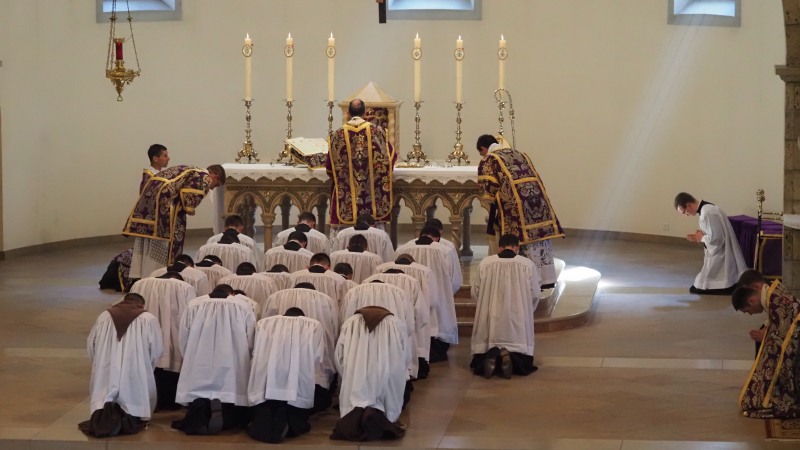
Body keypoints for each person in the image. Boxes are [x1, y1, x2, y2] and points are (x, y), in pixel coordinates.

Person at [476, 135, 564, 289]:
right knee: (538, 238)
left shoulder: (489, 159)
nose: (482, 155)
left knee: (522, 238)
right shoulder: (519, 153)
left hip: (516, 206)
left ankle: (527, 280)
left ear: (483, 149)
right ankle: (545, 278)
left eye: (481, 152)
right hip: (537, 200)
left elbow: (489, 190)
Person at [173, 288, 256, 435]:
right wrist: (246, 356)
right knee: (228, 391)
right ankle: (226, 419)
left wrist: (189, 355)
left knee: (199, 392)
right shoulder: (242, 305)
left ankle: (199, 418)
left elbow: (184, 334)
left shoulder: (194, 304)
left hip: (199, 357)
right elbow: (251, 335)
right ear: (230, 293)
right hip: (232, 358)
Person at [81, 293, 163, 437]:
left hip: (107, 365)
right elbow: (156, 349)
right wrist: (147, 366)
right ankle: (132, 416)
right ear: (142, 305)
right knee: (134, 393)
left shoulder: (104, 316)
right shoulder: (148, 319)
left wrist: (98, 363)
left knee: (104, 391)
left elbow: (91, 344)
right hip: (136, 365)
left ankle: (105, 415)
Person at [124, 165, 226, 278]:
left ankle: (140, 273)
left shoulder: (189, 169)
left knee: (148, 238)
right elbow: (190, 197)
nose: (212, 188)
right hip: (164, 203)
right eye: (216, 184)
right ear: (215, 176)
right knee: (161, 242)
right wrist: (190, 208)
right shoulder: (205, 176)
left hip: (150, 199)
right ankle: (157, 274)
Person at [246, 310, 324, 443]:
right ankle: (288, 421)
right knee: (301, 408)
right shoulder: (313, 325)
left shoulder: (263, 323)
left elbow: (255, 350)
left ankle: (270, 422)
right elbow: (317, 357)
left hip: (267, 377)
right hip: (297, 377)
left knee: (266, 407)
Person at [331, 307, 407, 442]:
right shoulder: (395, 323)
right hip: (387, 371)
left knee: (354, 396)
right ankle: (385, 421)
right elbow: (405, 354)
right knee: (388, 395)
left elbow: (339, 355)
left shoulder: (350, 323)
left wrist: (347, 372)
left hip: (356, 371)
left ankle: (354, 422)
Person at [470, 234, 539, 379]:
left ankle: (492, 355)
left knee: (488, 339)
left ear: (499, 248)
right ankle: (510, 358)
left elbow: (475, 291)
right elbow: (535, 294)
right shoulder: (527, 264)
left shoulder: (486, 263)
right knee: (517, 342)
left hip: (491, 314)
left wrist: (484, 307)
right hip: (517, 314)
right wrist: (526, 310)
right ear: (517, 248)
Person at [261, 286, 339, 412]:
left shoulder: (274, 300)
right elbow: (333, 328)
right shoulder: (325, 301)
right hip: (311, 373)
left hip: (273, 371)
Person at [325, 99, 397, 237]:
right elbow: (390, 159)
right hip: (373, 196)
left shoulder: (337, 135)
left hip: (346, 198)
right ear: (365, 113)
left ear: (348, 113)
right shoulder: (377, 131)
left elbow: (329, 168)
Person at [732, 281, 800, 419]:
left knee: (771, 350)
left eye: (747, 311)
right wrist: (768, 332)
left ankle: (772, 392)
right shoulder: (771, 295)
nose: (750, 314)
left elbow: (784, 333)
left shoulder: (775, 302)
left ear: (751, 300)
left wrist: (767, 335)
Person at [394, 227, 460, 361]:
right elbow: (455, 279)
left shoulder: (402, 249)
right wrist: (445, 294)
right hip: (439, 294)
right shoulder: (445, 251)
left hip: (407, 297)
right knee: (436, 322)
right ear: (438, 238)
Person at [342, 281, 417, 383]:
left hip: (358, 347)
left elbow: (344, 319)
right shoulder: (399, 293)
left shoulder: (352, 293)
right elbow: (410, 324)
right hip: (391, 344)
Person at [675, 192, 747, 295]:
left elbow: (718, 239)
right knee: (699, 285)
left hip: (721, 253)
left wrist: (701, 237)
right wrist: (701, 235)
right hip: (718, 250)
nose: (686, 215)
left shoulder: (708, 212)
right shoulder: (706, 209)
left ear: (688, 205)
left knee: (701, 286)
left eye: (684, 212)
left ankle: (727, 286)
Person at [376, 255, 437, 375]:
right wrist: (414, 328)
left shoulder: (374, 277)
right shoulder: (415, 278)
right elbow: (429, 304)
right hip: (405, 324)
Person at [365, 269, 430, 379]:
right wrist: (408, 332)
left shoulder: (365, 283)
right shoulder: (409, 284)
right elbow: (420, 314)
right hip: (397, 331)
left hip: (366, 333)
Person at [736, 270, 770, 357]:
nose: (750, 314)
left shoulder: (773, 300)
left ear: (756, 287)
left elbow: (789, 329)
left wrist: (768, 336)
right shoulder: (769, 294)